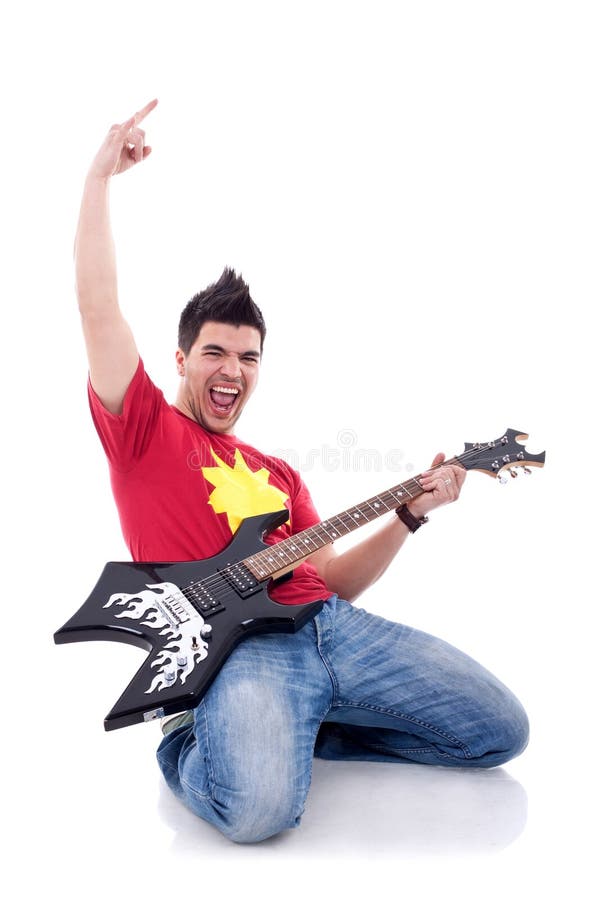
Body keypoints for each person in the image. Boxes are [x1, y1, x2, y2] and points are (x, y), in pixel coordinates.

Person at [76, 100, 529, 844]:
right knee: (256, 816)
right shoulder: (145, 430)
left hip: (330, 628)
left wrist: (410, 514)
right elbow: (98, 307)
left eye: (248, 357)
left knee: (498, 733)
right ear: (181, 359)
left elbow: (334, 578)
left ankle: (307, 725)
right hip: (238, 651)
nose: (233, 370)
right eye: (216, 352)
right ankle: (193, 739)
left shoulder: (278, 473)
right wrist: (100, 177)